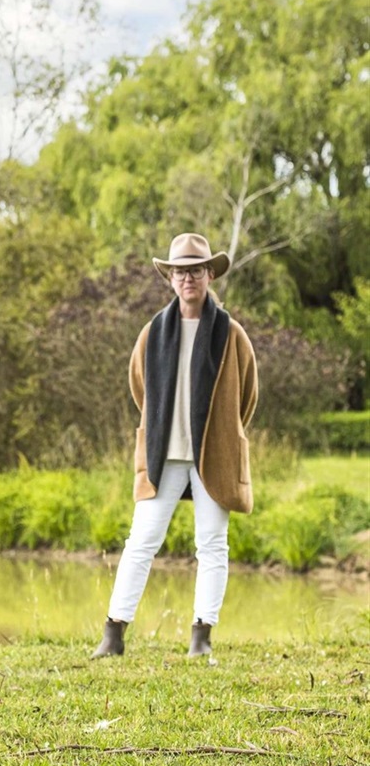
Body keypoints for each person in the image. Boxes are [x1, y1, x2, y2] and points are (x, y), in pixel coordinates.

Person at [93, 233, 259, 659]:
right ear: (170, 278)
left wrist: (222, 432)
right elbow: (139, 387)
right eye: (181, 271)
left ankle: (201, 639)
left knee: (212, 544)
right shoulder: (153, 332)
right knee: (142, 540)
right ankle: (113, 635)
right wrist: (161, 425)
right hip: (163, 455)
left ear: (209, 275)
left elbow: (248, 395)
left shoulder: (231, 334)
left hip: (213, 456)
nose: (189, 278)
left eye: (197, 270)